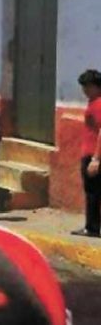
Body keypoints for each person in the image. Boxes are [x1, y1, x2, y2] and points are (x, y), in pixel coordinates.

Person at [74, 69, 101, 238]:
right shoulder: (93, 102)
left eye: (87, 86)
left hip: (93, 155)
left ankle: (92, 227)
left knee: (92, 193)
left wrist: (96, 159)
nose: (84, 90)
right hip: (90, 153)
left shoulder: (98, 104)